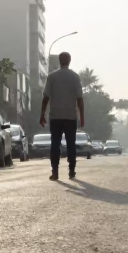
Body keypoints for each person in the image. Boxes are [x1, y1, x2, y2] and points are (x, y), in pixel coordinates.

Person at [39, 52, 84, 181]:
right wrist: (82, 117)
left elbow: (46, 98)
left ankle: (55, 172)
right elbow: (80, 99)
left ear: (59, 61)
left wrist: (42, 115)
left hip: (56, 117)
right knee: (71, 144)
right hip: (70, 116)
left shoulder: (52, 77)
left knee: (55, 144)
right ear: (69, 61)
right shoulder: (75, 77)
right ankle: (71, 171)